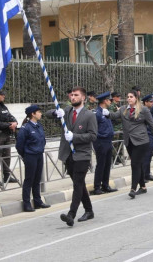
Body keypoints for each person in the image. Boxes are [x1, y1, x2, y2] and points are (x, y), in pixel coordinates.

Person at [57, 87, 98, 227]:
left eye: (76, 95)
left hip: (82, 155)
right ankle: (89, 210)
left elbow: (93, 135)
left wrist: (75, 137)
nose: (73, 97)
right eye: (72, 95)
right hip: (68, 154)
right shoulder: (67, 111)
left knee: (77, 184)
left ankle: (71, 214)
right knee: (79, 184)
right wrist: (56, 112)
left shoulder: (89, 115)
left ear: (83, 98)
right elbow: (49, 113)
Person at [108, 91, 153, 199]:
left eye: (131, 97)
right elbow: (113, 116)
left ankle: (133, 188)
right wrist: (104, 112)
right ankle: (143, 187)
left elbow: (151, 125)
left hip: (141, 141)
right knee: (139, 164)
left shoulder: (143, 109)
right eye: (127, 97)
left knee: (135, 164)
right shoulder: (123, 109)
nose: (129, 99)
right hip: (129, 141)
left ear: (136, 98)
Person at [16, 105, 50, 212]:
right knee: (29, 180)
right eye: (38, 112)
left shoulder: (39, 126)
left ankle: (37, 201)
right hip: (30, 155)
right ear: (33, 114)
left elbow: (42, 140)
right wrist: (25, 155)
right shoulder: (25, 128)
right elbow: (19, 145)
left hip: (39, 154)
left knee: (37, 179)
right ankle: (27, 203)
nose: (41, 114)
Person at [91, 92, 118, 195]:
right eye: (108, 100)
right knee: (101, 164)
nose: (110, 102)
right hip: (100, 141)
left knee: (107, 164)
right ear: (104, 101)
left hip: (108, 140)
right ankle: (97, 187)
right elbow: (93, 128)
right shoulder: (96, 113)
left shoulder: (106, 112)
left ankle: (105, 185)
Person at [142, 95, 153, 183]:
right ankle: (143, 175)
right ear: (146, 102)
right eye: (151, 102)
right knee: (145, 157)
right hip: (146, 136)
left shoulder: (148, 111)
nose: (152, 103)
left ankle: (147, 174)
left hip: (150, 136)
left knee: (148, 156)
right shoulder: (143, 111)